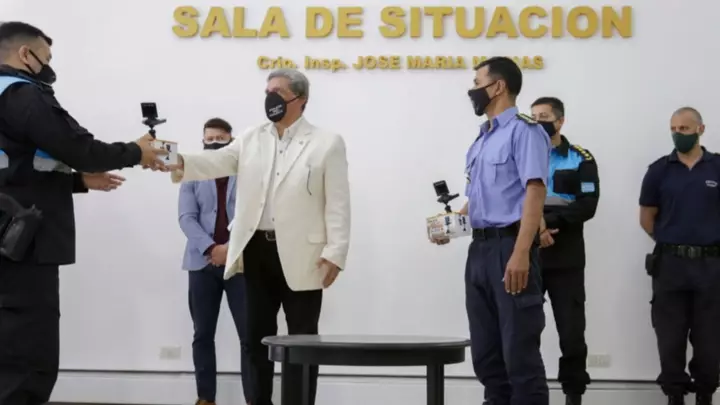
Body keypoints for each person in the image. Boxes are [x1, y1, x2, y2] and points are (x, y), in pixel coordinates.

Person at [161, 68, 351, 405]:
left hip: (305, 257)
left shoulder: (326, 142)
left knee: (303, 342)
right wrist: (173, 160)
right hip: (255, 253)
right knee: (255, 340)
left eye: (278, 91)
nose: (270, 98)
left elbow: (337, 202)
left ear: (300, 99)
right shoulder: (251, 137)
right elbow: (215, 161)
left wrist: (335, 252)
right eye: (267, 91)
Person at [0, 21, 166, 405]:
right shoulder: (22, 95)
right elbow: (80, 148)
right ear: (25, 54)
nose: (49, 66)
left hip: (8, 236)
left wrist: (76, 182)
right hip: (22, 248)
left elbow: (16, 169)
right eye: (46, 57)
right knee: (27, 356)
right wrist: (136, 151)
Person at [431, 56, 551, 405]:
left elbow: (535, 192)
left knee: (519, 356)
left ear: (498, 86)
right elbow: (480, 200)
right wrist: (451, 226)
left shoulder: (525, 132)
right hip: (480, 252)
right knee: (486, 355)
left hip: (510, 248)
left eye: (477, 83)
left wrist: (521, 253)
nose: (472, 90)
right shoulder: (483, 138)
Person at [639, 107, 720, 405]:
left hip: (712, 266)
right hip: (670, 265)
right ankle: (674, 394)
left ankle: (705, 393)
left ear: (701, 129)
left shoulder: (717, 167)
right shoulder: (659, 170)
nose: (678, 134)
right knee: (670, 337)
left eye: (684, 129)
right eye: (674, 129)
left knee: (710, 338)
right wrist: (674, 243)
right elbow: (647, 219)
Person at [178, 118, 251, 405]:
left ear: (231, 139)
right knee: (202, 334)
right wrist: (211, 248)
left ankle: (254, 398)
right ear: (202, 141)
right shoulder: (191, 173)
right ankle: (205, 398)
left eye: (220, 138)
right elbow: (186, 217)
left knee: (249, 336)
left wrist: (229, 250)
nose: (214, 143)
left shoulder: (246, 171)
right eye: (208, 139)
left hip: (240, 263)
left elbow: (251, 216)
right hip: (201, 264)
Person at [531, 97, 599, 405]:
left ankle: (574, 394)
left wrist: (550, 223)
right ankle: (528, 393)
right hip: (527, 252)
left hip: (566, 254)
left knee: (572, 334)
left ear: (560, 121)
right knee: (523, 331)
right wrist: (537, 228)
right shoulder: (522, 155)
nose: (537, 122)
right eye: (533, 117)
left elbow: (588, 205)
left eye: (544, 116)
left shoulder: (580, 158)